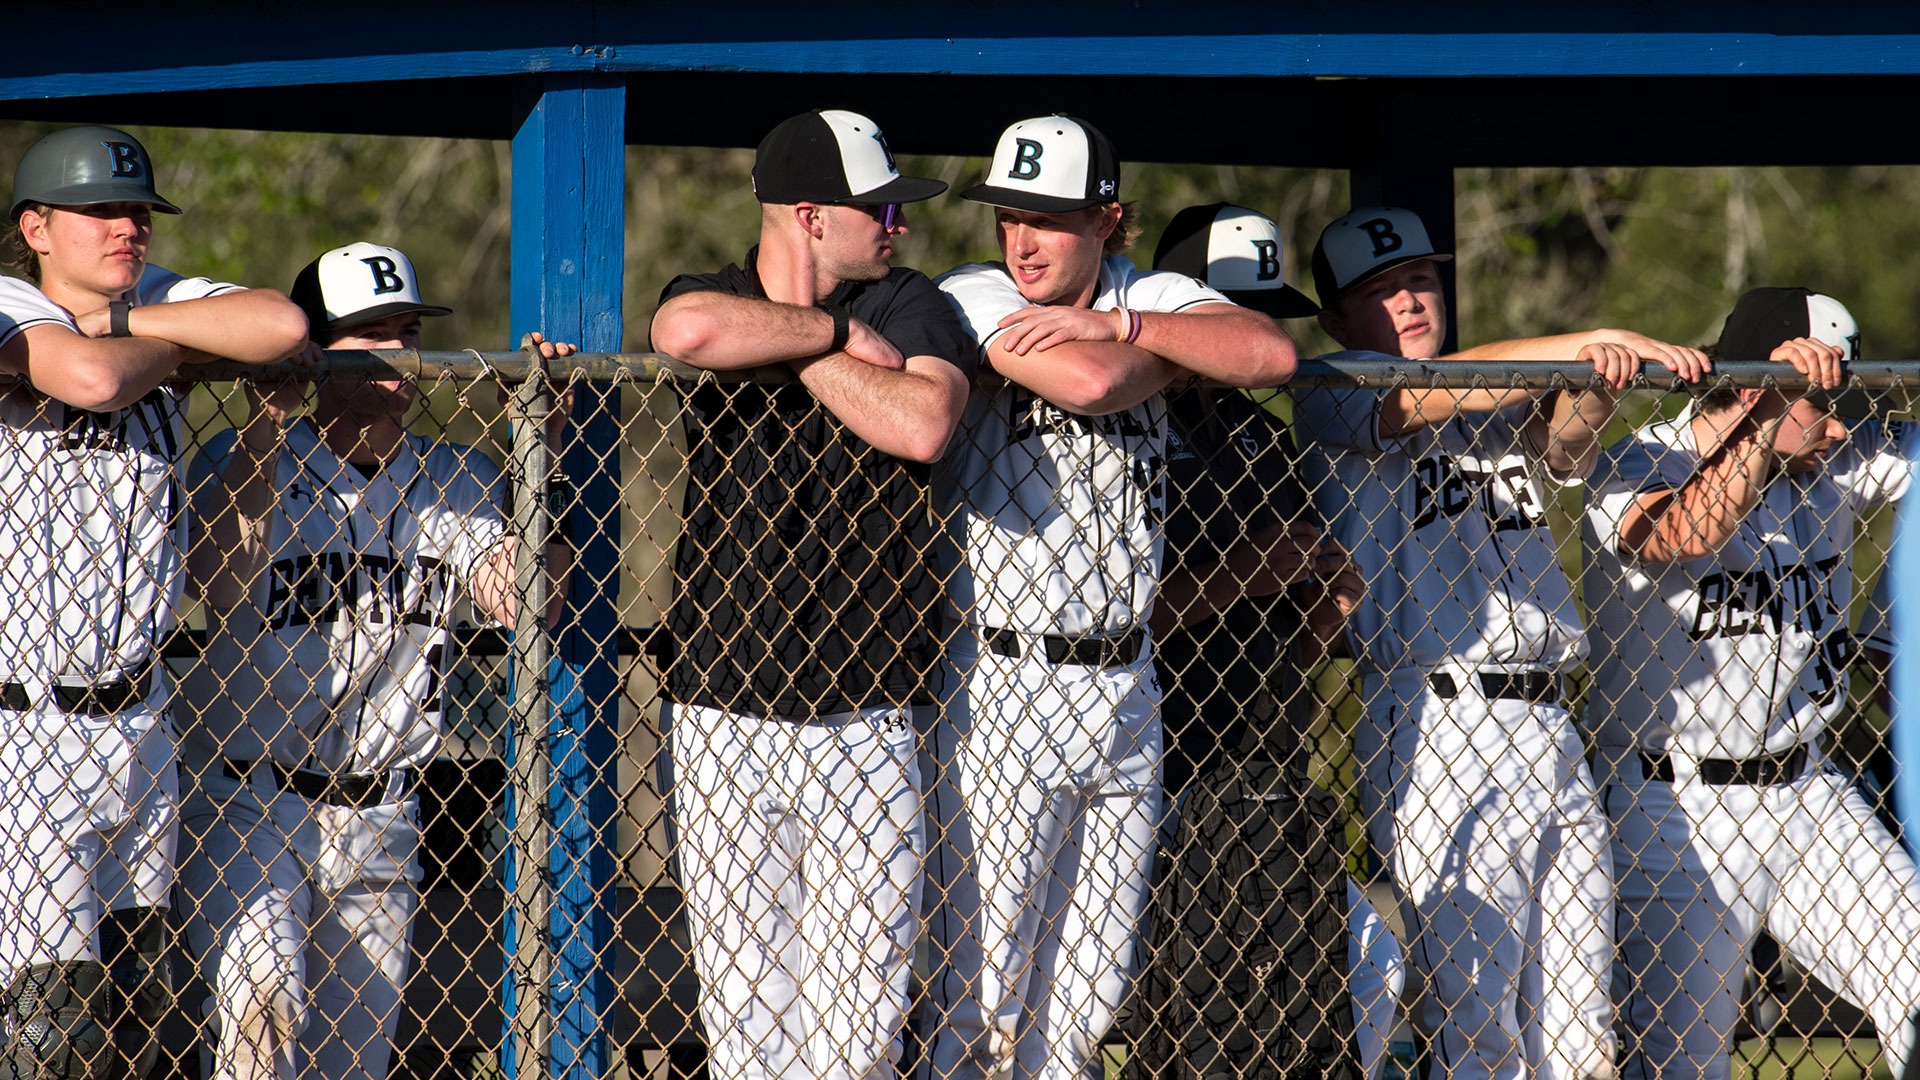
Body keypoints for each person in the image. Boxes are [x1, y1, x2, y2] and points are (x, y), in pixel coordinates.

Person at [1292, 205, 1709, 1080]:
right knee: (1479, 1029)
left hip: (1548, 718)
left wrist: (1598, 374)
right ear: (1335, 318)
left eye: (1419, 279)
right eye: (1380, 291)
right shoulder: (1329, 384)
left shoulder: (1499, 399)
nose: (1410, 300)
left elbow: (1569, 439)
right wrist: (1584, 339)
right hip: (1434, 715)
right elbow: (1430, 392)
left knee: (1581, 1029)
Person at [921, 116, 1299, 1080]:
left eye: (1049, 219)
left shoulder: (1145, 294)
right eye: (1010, 216)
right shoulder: (973, 291)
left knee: (1088, 999)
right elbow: (1087, 383)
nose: (1023, 240)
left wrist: (1127, 326)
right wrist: (1171, 353)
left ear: (1108, 220)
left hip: (1130, 680)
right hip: (1005, 674)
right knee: (983, 996)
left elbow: (1267, 353)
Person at [174, 241, 575, 1080]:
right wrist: (266, 423)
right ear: (315, 351)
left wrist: (541, 449)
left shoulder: (455, 476)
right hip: (250, 798)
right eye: (371, 334)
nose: (398, 353)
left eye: (407, 331)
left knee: (349, 1066)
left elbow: (525, 599)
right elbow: (218, 581)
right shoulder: (245, 460)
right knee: (259, 1021)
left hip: (384, 816)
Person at [647, 108, 973, 1080]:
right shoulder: (716, 290)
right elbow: (686, 329)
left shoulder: (910, 302)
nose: (898, 225)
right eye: (878, 208)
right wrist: (832, 334)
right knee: (749, 1039)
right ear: (809, 215)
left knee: (857, 1042)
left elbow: (922, 423)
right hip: (723, 711)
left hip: (865, 713)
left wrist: (793, 347)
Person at [0, 125, 307, 1080]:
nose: (126, 227)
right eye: (100, 211)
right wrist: (171, 344)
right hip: (28, 725)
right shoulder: (8, 299)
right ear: (37, 228)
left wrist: (138, 323)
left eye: (136, 211)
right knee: (50, 1029)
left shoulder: (152, 297)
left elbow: (281, 326)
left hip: (141, 719)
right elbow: (89, 380)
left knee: (136, 1007)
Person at [1581, 286, 1920, 1080]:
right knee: (1681, 1062)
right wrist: (1770, 413)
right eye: (1821, 404)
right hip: (1672, 805)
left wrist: (1893, 636)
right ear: (1749, 391)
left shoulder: (1829, 458)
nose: (1840, 427)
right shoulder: (1641, 459)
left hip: (1810, 793)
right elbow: (1682, 533)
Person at [1140, 201, 1387, 1079]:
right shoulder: (1132, 428)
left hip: (1262, 766)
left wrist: (1329, 606)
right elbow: (1110, 620)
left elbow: (1290, 635)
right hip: (1162, 762)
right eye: (1230, 313)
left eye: (1262, 319)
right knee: (1157, 1013)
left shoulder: (1266, 438)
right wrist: (1242, 573)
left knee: (1345, 990)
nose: (1251, 341)